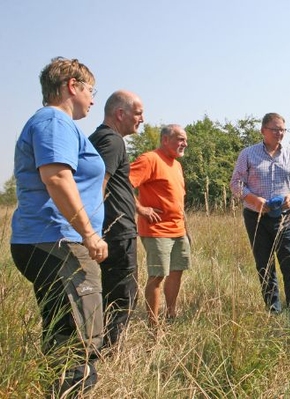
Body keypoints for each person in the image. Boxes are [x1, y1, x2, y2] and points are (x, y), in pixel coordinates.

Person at [11, 57, 106, 396]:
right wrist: (89, 233)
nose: (93, 100)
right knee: (81, 341)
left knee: (64, 332)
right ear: (72, 86)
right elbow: (56, 176)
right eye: (90, 91)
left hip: (49, 241)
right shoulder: (54, 120)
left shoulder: (54, 123)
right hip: (58, 241)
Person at [230, 112, 290, 314]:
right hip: (256, 217)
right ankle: (273, 310)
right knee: (265, 265)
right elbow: (236, 183)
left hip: (285, 217)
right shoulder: (248, 154)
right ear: (263, 131)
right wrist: (253, 199)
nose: (279, 133)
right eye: (275, 129)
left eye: (282, 129)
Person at [89, 90, 144, 349]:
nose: (142, 119)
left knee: (107, 292)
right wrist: (91, 231)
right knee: (122, 296)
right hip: (115, 232)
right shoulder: (112, 141)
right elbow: (98, 184)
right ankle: (110, 351)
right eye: (138, 113)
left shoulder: (99, 138)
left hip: (110, 230)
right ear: (120, 113)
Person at [129, 124, 190, 326]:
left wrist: (185, 229)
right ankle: (153, 325)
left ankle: (170, 315)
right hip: (157, 231)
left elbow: (178, 200)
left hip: (178, 230)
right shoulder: (149, 159)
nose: (185, 143)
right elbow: (123, 185)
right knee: (157, 276)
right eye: (180, 139)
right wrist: (142, 209)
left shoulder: (176, 165)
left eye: (185, 140)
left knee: (176, 272)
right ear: (165, 139)